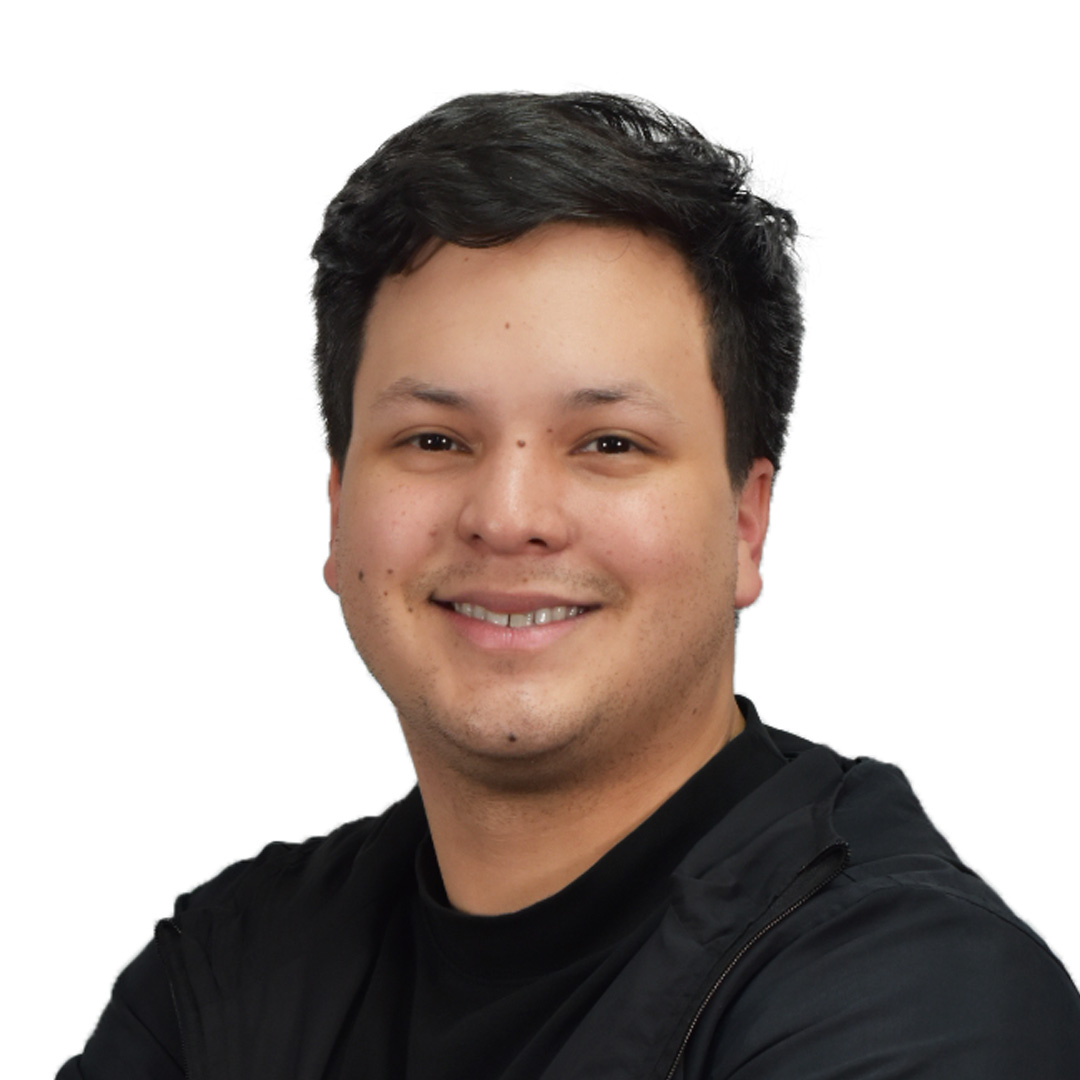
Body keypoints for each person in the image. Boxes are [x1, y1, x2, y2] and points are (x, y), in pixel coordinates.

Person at [59, 91, 1080, 1079]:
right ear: (337, 507)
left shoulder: (913, 994)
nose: (508, 516)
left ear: (745, 522)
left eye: (608, 443)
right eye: (433, 440)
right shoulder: (232, 967)